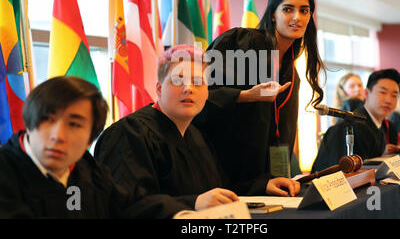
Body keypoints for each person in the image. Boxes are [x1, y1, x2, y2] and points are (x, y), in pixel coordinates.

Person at [95, 45, 300, 211]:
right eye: (178, 80)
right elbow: (125, 206)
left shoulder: (196, 135)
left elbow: (217, 189)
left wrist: (262, 185)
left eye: (198, 82)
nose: (189, 88)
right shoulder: (129, 134)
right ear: (158, 88)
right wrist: (192, 204)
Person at [194, 0, 325, 185]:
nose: (296, 17)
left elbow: (283, 133)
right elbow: (198, 99)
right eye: (288, 9)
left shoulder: (291, 73)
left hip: (260, 183)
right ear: (273, 14)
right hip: (218, 175)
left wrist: (277, 178)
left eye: (304, 11)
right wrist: (245, 96)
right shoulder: (240, 43)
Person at [0, 76, 189, 219]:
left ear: (90, 138)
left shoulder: (88, 171)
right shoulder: (6, 172)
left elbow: (133, 205)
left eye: (74, 124)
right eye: (47, 119)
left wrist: (188, 216)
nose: (58, 136)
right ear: (29, 121)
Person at [311, 69, 400, 172]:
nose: (388, 100)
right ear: (367, 93)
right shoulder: (349, 127)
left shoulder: (380, 126)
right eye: (382, 92)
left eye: (394, 95)